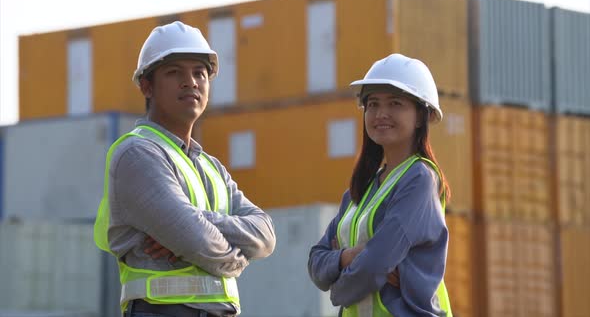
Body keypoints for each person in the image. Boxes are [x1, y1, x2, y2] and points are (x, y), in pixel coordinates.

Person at [94, 21, 276, 317]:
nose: (190, 81)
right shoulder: (137, 154)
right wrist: (237, 260)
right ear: (146, 85)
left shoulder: (211, 167)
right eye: (174, 72)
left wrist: (198, 222)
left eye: (199, 73)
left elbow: (266, 233)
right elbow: (198, 241)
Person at [308, 54, 453, 317]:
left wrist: (337, 288)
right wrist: (349, 256)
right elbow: (316, 261)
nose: (381, 114)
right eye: (372, 104)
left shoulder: (420, 179)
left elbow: (376, 263)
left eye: (395, 103)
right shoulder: (360, 191)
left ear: (421, 116)